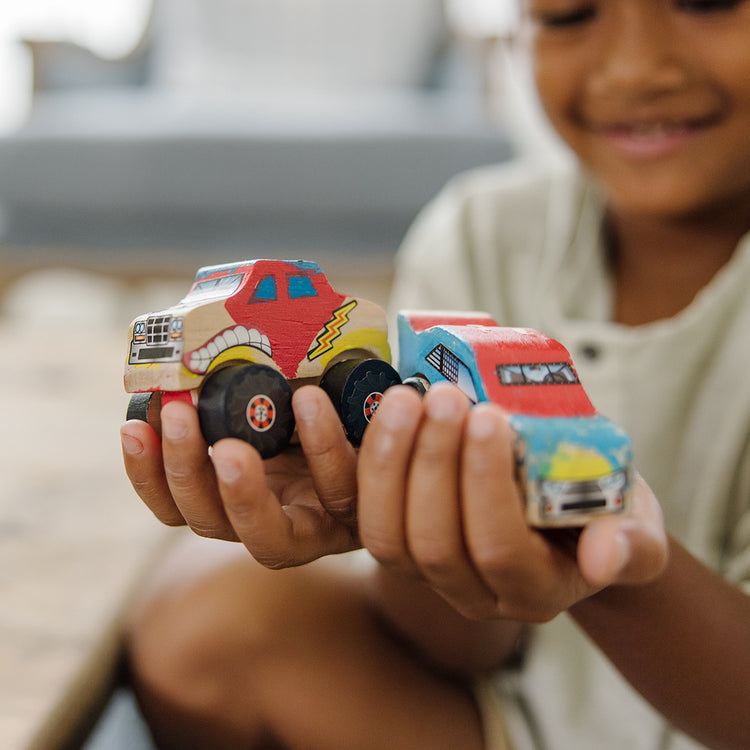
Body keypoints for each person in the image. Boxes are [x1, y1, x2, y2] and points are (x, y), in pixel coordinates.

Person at [119, 1, 750, 749]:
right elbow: (459, 646)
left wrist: (610, 572)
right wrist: (414, 542)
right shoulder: (479, 235)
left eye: (707, 1)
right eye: (569, 14)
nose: (636, 67)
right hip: (497, 717)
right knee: (196, 611)